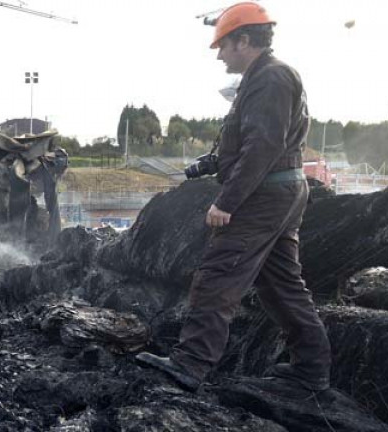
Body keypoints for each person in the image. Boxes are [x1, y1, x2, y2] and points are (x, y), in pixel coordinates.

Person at [136, 2, 331, 393]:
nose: (220, 55)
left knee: (218, 275)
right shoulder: (266, 77)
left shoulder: (271, 78)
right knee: (281, 285)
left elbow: (263, 145)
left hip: (264, 194)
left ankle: (191, 363)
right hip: (281, 189)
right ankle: (312, 369)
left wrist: (227, 201)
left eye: (223, 46)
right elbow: (254, 141)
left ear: (244, 40)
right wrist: (211, 163)